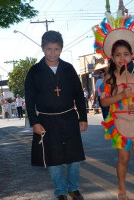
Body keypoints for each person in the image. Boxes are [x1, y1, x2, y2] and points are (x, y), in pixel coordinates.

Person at [93, 13, 134, 200]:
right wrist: (120, 95)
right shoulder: (109, 79)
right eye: (118, 55)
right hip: (119, 123)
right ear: (112, 57)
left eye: (126, 55)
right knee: (124, 159)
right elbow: (104, 102)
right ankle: (122, 189)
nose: (122, 58)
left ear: (131, 56)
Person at [25, 30, 87, 200]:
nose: (53, 52)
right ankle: (60, 190)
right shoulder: (35, 71)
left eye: (56, 49)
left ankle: (73, 188)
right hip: (46, 120)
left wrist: (83, 117)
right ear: (43, 48)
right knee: (53, 159)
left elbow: (79, 95)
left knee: (74, 157)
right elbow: (29, 100)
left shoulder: (68, 69)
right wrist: (34, 122)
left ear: (61, 48)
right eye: (49, 49)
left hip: (68, 118)